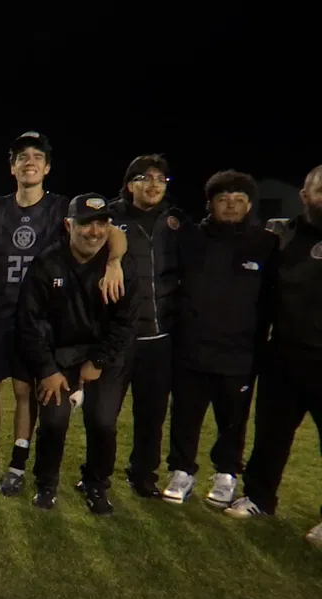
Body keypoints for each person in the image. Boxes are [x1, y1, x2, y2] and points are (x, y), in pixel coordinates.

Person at [0, 132, 126, 494]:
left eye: (36, 156)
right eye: (21, 157)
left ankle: (17, 466)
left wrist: (116, 261)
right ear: (12, 167)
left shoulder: (62, 207)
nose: (29, 161)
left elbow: (113, 233)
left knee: (24, 390)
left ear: (46, 167)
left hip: (39, 317)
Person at [16, 194, 138, 514]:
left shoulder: (122, 267)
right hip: (59, 358)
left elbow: (126, 324)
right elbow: (30, 321)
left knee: (103, 422)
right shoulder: (47, 263)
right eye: (86, 223)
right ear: (69, 225)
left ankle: (96, 484)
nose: (94, 231)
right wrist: (48, 369)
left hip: (104, 357)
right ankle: (46, 484)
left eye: (101, 223)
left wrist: (97, 362)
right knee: (54, 422)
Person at [162, 171, 278, 506]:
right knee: (185, 414)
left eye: (238, 200)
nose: (230, 205)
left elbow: (272, 299)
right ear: (210, 203)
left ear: (249, 205)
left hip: (240, 352)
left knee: (233, 419)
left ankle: (227, 473)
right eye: (223, 199)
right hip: (192, 347)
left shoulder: (265, 243)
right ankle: (182, 470)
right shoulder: (191, 238)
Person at [225, 165, 322, 546]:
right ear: (304, 194)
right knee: (271, 434)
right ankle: (260, 498)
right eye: (320, 190)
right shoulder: (281, 234)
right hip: (283, 352)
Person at [107, 155, 188, 497]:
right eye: (145, 177)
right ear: (130, 184)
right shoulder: (110, 216)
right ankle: (96, 473)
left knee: (151, 414)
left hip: (160, 336)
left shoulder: (177, 221)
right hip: (118, 336)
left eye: (160, 178)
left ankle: (143, 474)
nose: (154, 184)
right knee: (104, 413)